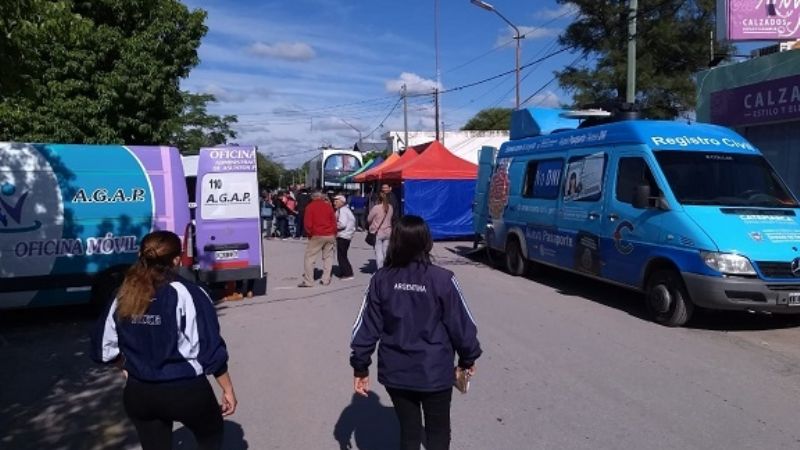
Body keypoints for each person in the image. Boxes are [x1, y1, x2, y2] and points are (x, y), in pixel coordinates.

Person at [90, 230, 237, 450]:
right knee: (211, 438)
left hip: (140, 392)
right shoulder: (190, 293)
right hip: (186, 390)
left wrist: (126, 367)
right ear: (176, 260)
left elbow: (103, 348)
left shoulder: (123, 293)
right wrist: (227, 389)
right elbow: (210, 348)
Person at [349, 215, 482, 450]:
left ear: (395, 242)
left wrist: (360, 366)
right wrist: (468, 357)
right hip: (435, 372)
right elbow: (461, 324)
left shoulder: (381, 279)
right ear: (426, 242)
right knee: (438, 430)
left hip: (396, 371)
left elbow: (366, 326)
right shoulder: (442, 279)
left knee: (409, 433)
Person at [299, 190, 337, 287]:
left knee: (310, 257)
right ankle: (325, 279)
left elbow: (308, 223)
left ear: (313, 197)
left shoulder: (310, 207)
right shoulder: (328, 206)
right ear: (321, 197)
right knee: (328, 257)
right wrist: (334, 233)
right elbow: (333, 220)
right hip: (329, 234)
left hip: (317, 234)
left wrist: (309, 234)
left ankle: (309, 281)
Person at [367, 191, 393, 269]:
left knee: (378, 252)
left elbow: (369, 219)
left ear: (378, 199)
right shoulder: (390, 207)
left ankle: (380, 270)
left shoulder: (376, 208)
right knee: (385, 251)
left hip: (377, 232)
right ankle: (387, 268)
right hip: (388, 231)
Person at [334, 194, 356, 280]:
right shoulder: (344, 210)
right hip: (347, 235)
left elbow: (342, 224)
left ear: (342, 202)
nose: (334, 203)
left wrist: (334, 226)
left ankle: (347, 273)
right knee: (343, 255)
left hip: (343, 235)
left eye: (336, 201)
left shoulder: (342, 211)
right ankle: (345, 271)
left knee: (341, 255)